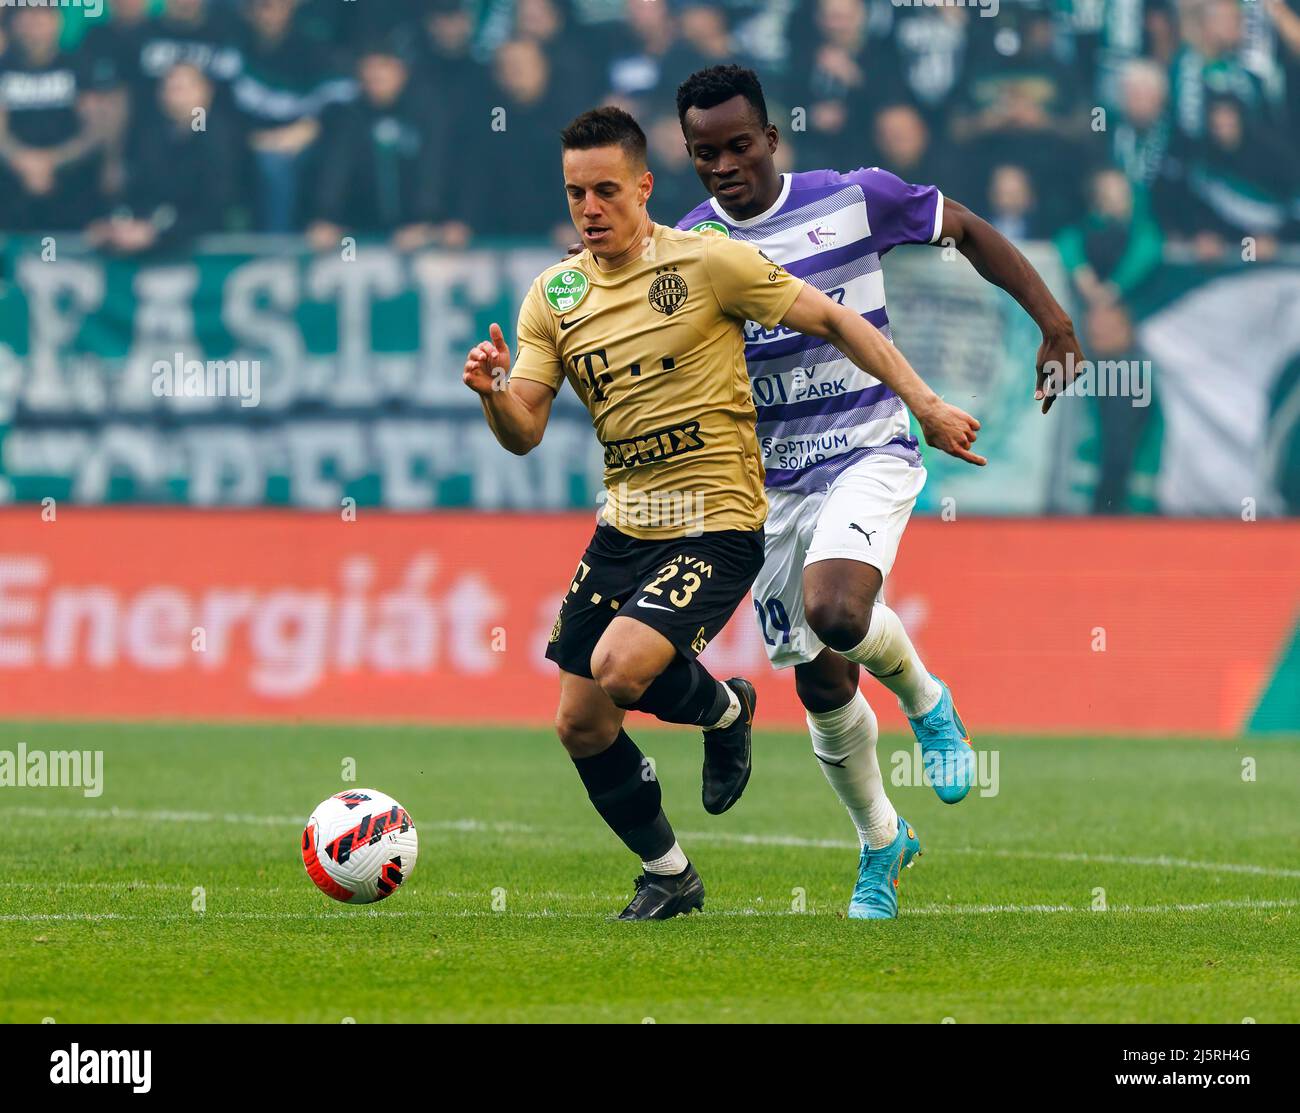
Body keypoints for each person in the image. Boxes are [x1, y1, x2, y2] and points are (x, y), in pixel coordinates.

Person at [461, 106, 982, 921]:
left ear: (643, 186)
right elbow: (523, 430)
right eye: (575, 195)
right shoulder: (554, 295)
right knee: (581, 721)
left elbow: (837, 318)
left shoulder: (709, 262)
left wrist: (923, 403)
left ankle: (747, 709)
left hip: (722, 515)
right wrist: (495, 394)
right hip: (627, 521)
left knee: (630, 667)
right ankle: (672, 873)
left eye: (605, 191)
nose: (590, 210)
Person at [673, 65, 1084, 918]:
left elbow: (966, 229)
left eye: (739, 145)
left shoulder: (853, 199)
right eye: (704, 152)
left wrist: (1054, 321)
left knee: (837, 611)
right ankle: (882, 845)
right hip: (770, 489)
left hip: (869, 446)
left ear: (772, 138)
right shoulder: (685, 246)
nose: (723, 165)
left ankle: (929, 700)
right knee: (822, 687)